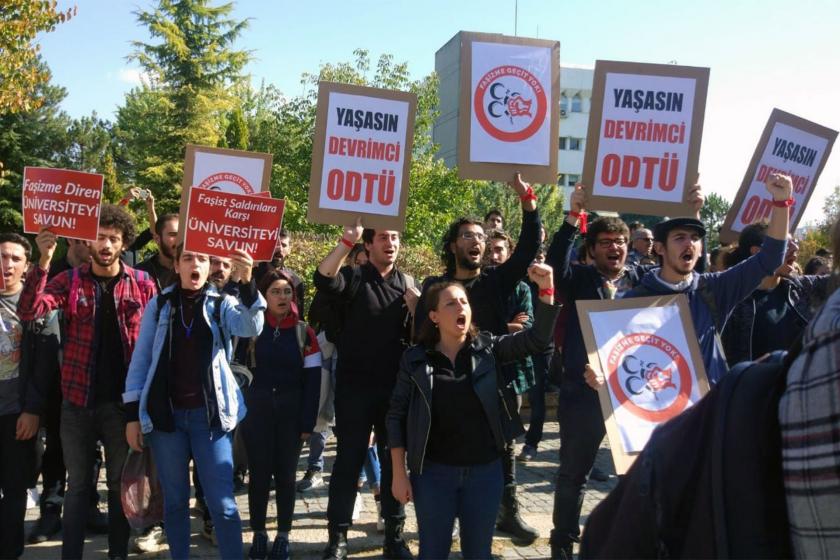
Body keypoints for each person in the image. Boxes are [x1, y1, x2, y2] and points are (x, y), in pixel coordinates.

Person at [545, 182, 704, 559]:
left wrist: (694, 215)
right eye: (605, 242)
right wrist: (572, 216)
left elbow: (693, 280)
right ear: (592, 249)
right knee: (573, 473)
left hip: (633, 394)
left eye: (620, 241)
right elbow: (554, 262)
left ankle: (634, 539)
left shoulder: (644, 281)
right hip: (583, 394)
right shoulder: (578, 279)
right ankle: (562, 542)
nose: (614, 248)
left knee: (637, 474)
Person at [388, 263, 560, 559]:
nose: (460, 307)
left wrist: (546, 291)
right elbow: (395, 416)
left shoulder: (490, 348)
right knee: (432, 551)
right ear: (434, 316)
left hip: (485, 473)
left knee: (479, 552)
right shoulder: (415, 359)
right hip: (433, 474)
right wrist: (398, 474)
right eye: (451, 303)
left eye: (464, 302)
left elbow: (536, 340)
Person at [18, 204, 157, 560]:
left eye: (113, 238)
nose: (106, 244)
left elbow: (159, 340)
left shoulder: (142, 284)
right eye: (100, 237)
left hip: (123, 406)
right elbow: (31, 311)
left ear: (125, 241)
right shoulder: (70, 280)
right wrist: (44, 260)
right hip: (77, 403)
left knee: (117, 485)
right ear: (87, 241)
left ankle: (116, 555)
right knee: (78, 487)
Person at [414, 173, 542, 544]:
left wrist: (527, 201)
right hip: (447, 384)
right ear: (453, 245)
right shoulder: (434, 288)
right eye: (468, 236)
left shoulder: (496, 281)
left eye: (482, 237)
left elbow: (529, 247)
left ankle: (507, 513)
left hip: (492, 383)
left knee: (503, 450)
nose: (478, 241)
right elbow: (423, 335)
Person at [123, 245, 265, 560]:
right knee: (174, 503)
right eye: (188, 258)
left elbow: (251, 326)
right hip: (167, 420)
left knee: (222, 503)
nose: (195, 264)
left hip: (210, 419)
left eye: (202, 258)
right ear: (176, 264)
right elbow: (141, 361)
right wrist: (133, 414)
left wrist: (248, 282)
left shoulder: (222, 303)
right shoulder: (159, 306)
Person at [314, 222, 418, 560]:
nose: (391, 243)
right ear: (369, 245)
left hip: (394, 393)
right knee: (348, 461)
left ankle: (394, 536)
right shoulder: (356, 277)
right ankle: (338, 539)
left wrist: (418, 309)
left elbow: (423, 335)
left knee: (393, 463)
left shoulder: (408, 284)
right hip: (354, 390)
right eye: (384, 238)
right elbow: (324, 278)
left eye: (396, 238)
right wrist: (347, 240)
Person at [241, 270, 321, 560]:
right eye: (276, 291)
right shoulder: (251, 328)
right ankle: (259, 534)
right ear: (265, 295)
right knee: (259, 476)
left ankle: (283, 536)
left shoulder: (305, 332)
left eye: (287, 291)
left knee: (286, 477)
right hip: (256, 414)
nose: (283, 297)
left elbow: (313, 383)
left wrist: (307, 423)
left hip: (292, 415)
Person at [721, 226, 830, 366]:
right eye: (786, 243)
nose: (795, 247)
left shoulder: (801, 288)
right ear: (757, 252)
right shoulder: (733, 302)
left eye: (794, 242)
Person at [0, 233, 42, 559]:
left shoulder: (37, 311)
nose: (8, 264)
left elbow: (43, 366)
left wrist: (32, 409)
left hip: (17, 414)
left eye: (15, 258)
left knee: (15, 490)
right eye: (2, 256)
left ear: (26, 267)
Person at [254, 229, 306, 315]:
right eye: (275, 245)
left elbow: (298, 314)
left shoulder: (295, 281)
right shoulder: (251, 275)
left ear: (289, 250)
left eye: (284, 245)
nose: (279, 249)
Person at [135, 212, 179, 292]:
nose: (178, 240)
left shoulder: (193, 272)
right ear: (157, 239)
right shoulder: (139, 273)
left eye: (181, 235)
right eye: (173, 234)